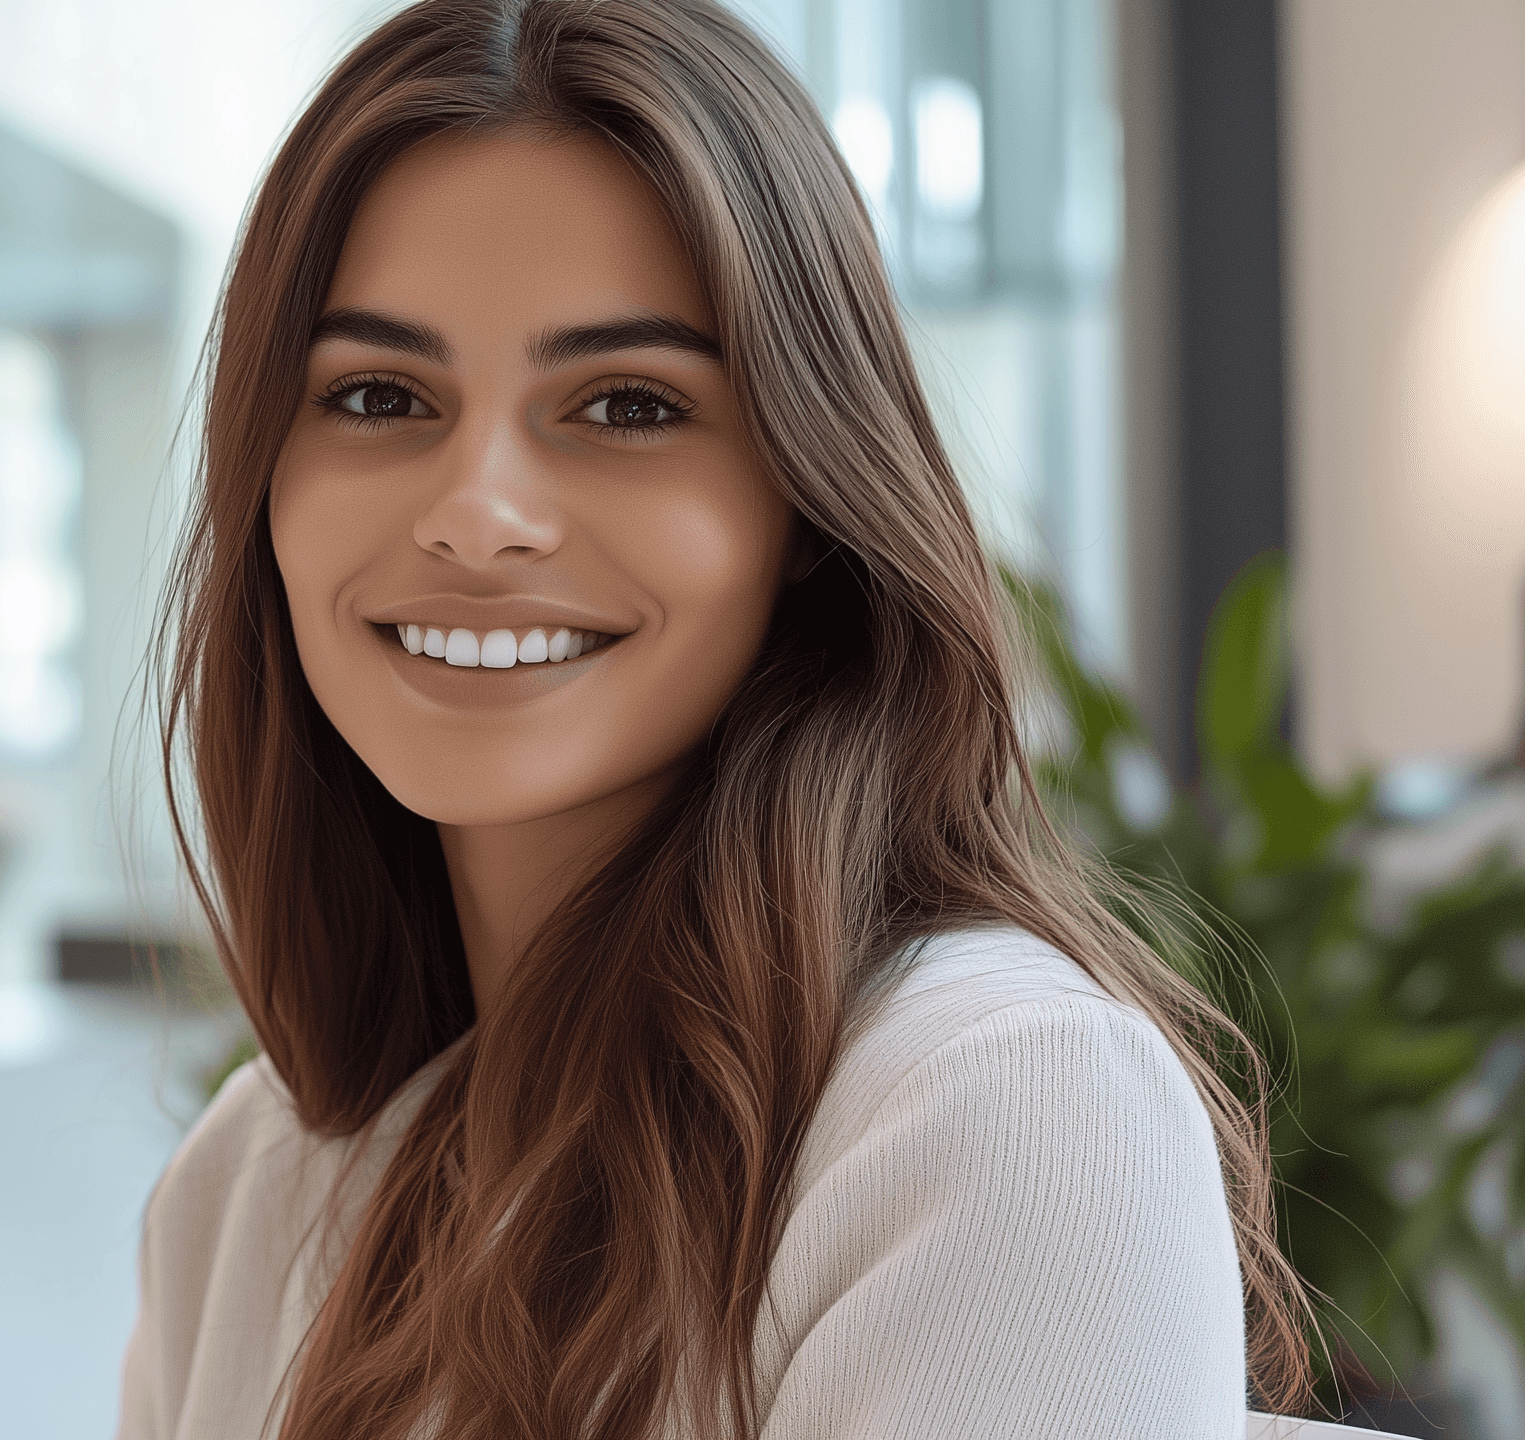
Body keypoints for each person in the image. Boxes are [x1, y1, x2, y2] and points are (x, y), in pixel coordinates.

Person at [119, 4, 1307, 1438]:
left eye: (625, 405)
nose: (479, 516)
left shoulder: (998, 1109)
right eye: (379, 395)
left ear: (805, 501)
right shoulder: (260, 1177)